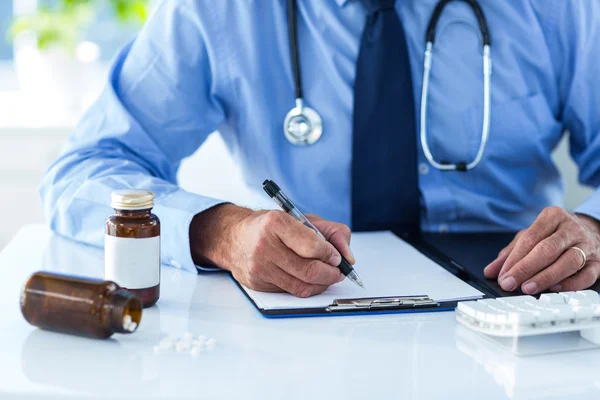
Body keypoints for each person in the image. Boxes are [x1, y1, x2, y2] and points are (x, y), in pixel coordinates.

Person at [41, 0, 600, 298]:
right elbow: (83, 171)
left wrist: (594, 230)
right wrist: (219, 231)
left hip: (515, 304)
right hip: (310, 311)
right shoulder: (214, 11)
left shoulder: (559, 8)